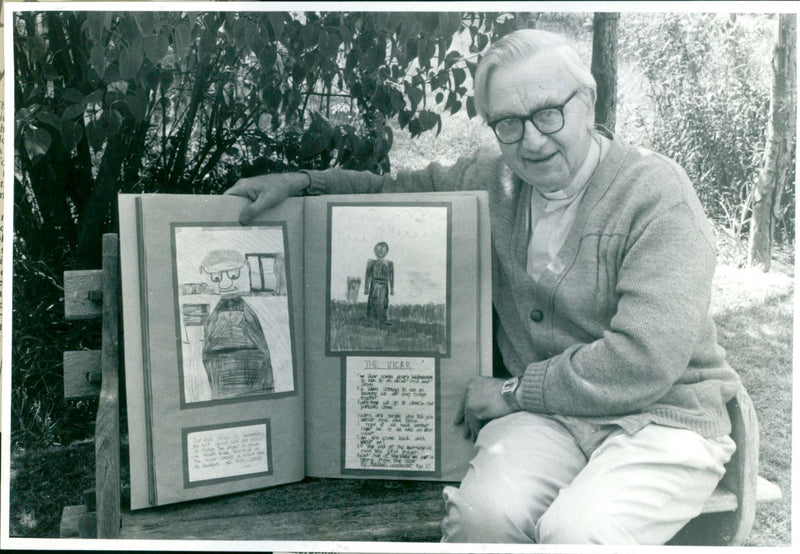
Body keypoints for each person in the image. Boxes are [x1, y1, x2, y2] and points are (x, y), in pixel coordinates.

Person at [225, 29, 742, 544]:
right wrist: (303, 183)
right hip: (552, 418)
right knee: (481, 519)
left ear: (589, 101)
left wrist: (516, 390)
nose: (532, 140)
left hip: (663, 420)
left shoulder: (656, 193)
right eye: (509, 124)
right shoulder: (493, 179)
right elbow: (389, 191)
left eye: (548, 113)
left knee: (578, 534)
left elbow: (643, 359)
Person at [364, 241, 394, 325]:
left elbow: (391, 277)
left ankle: (383, 319)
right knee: (372, 301)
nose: (380, 252)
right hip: (374, 284)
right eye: (378, 250)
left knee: (384, 301)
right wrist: (366, 287)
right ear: (374, 251)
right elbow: (367, 276)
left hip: (384, 285)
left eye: (383, 250)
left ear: (386, 252)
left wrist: (392, 289)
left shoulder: (389, 264)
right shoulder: (371, 262)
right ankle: (370, 318)